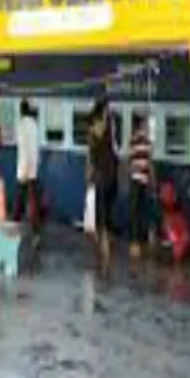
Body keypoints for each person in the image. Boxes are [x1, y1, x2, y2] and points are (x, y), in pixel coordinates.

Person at [87, 98, 118, 273]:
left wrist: (89, 177)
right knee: (107, 214)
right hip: (111, 176)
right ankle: (105, 252)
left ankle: (103, 254)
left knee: (102, 216)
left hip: (102, 177)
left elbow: (91, 159)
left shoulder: (94, 133)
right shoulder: (109, 130)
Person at [127, 114, 155, 258]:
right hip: (144, 180)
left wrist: (127, 176)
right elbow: (150, 163)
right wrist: (152, 181)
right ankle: (143, 239)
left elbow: (130, 161)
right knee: (142, 210)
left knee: (134, 212)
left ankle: (135, 243)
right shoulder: (148, 142)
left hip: (135, 180)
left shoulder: (133, 140)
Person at [15, 99, 40, 234]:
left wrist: (23, 172)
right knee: (32, 200)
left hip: (24, 169)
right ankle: (35, 229)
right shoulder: (34, 125)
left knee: (21, 199)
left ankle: (16, 226)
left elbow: (24, 149)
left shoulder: (22, 125)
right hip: (33, 169)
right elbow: (35, 148)